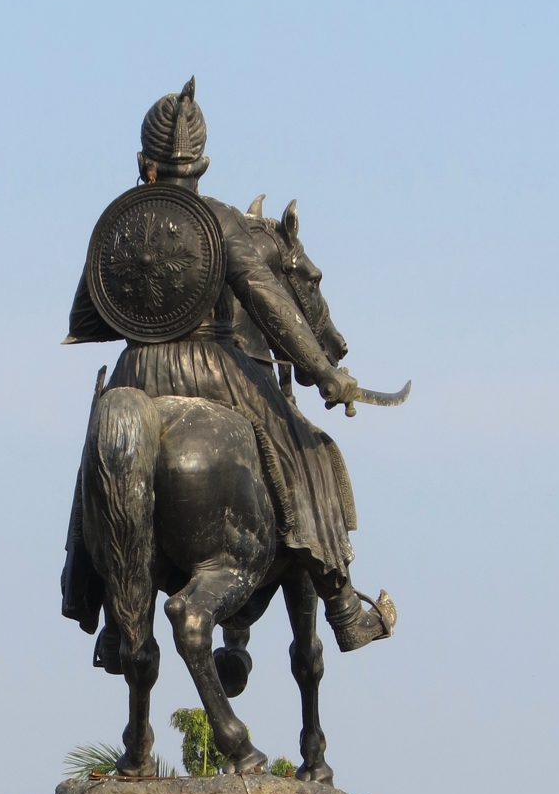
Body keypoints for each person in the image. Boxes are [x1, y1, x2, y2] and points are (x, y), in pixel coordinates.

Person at [63, 77, 389, 653]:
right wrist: (323, 372)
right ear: (203, 164)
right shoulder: (220, 220)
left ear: (144, 161)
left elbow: (89, 318)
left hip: (136, 370)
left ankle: (101, 608)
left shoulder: (121, 225)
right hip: (213, 367)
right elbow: (269, 300)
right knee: (306, 449)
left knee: (100, 451)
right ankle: (343, 608)